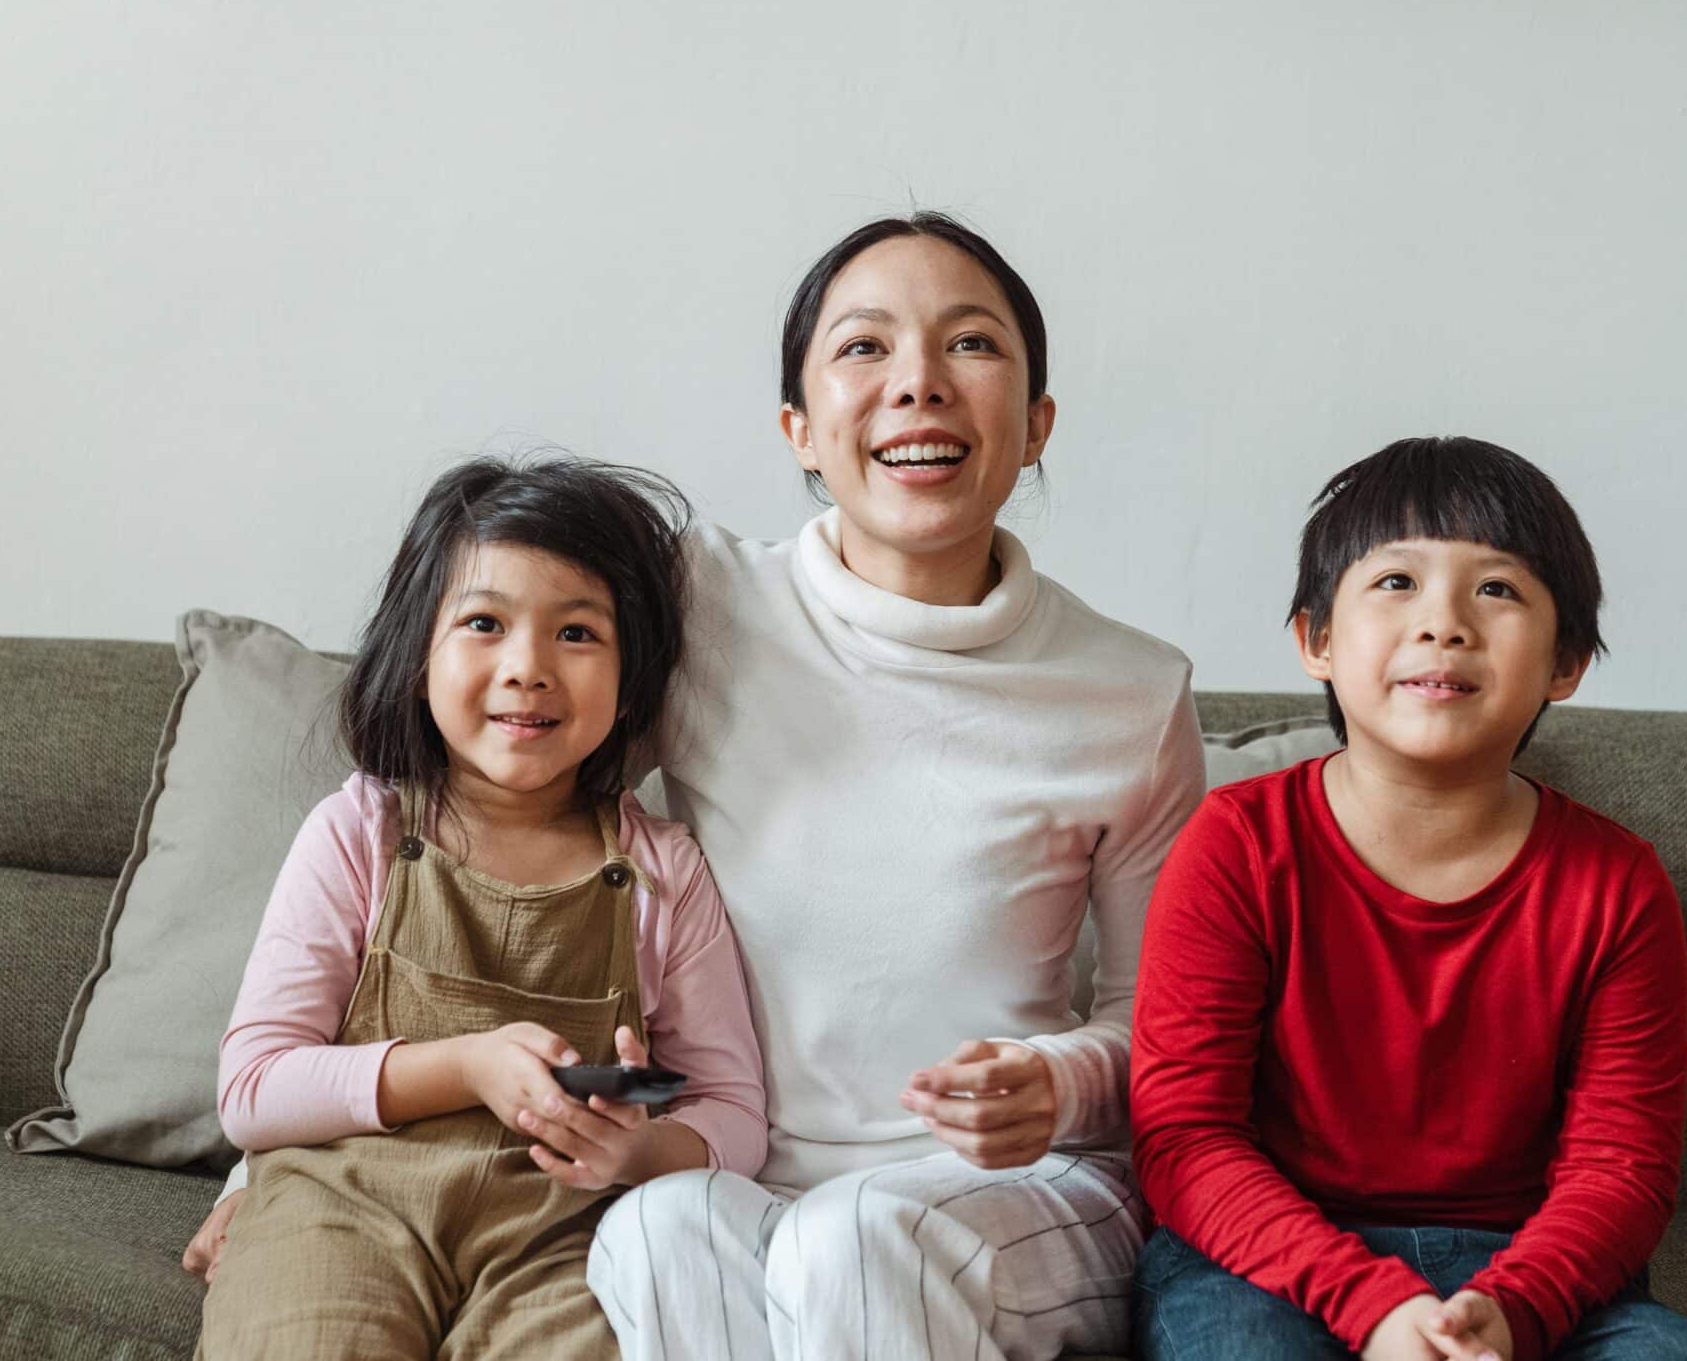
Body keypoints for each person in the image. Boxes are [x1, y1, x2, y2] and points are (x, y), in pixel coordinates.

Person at [191, 212, 1204, 1359]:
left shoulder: (1128, 693)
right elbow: (492, 807)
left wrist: (1058, 1083)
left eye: (969, 345)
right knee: (649, 1234)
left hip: (1014, 1188)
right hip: (741, 1180)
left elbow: (1167, 1030)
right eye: (863, 348)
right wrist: (277, 1169)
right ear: (798, 430)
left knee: (855, 1240)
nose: (916, 384)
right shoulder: (701, 607)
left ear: (1034, 426)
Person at [1128, 437, 1687, 1360]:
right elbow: (1185, 1136)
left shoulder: (1618, 884)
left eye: (1497, 589)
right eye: (1397, 582)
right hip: (1266, 1261)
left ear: (1565, 662)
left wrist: (1510, 1307)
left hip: (1524, 1270)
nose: (1444, 622)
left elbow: (1621, 1170)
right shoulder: (1235, 844)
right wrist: (1369, 1304)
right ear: (1317, 641)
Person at [193, 456, 766, 1359]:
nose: (528, 668)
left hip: (566, 1235)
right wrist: (467, 1066)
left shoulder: (666, 873)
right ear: (419, 656)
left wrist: (641, 1146)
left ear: (632, 679)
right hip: (340, 1207)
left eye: (577, 632)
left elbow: (733, 1111)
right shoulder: (359, 833)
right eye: (485, 623)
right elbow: (255, 1088)